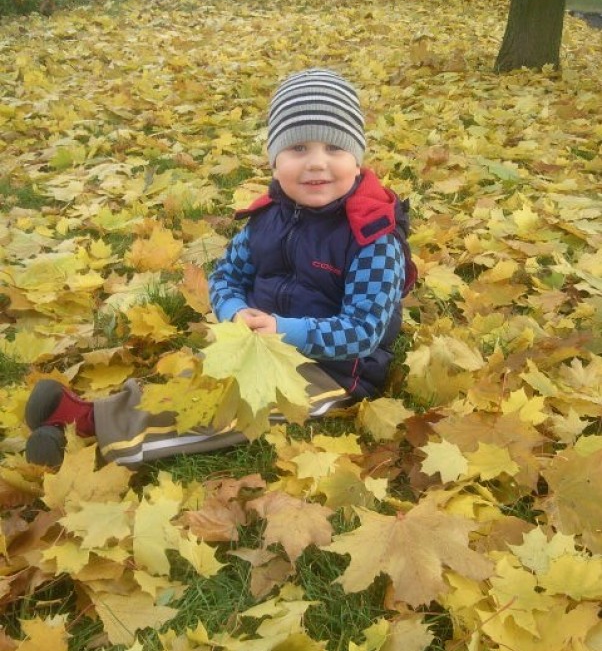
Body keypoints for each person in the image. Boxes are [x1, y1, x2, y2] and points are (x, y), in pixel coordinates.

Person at [24, 68, 416, 468]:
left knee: (233, 408)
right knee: (199, 381)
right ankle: (97, 412)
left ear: (357, 157)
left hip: (333, 372)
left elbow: (365, 331)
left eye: (334, 149)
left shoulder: (372, 237)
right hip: (256, 344)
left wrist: (284, 330)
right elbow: (227, 276)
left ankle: (90, 431)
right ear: (274, 158)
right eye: (298, 149)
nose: (317, 163)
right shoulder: (267, 220)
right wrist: (233, 311)